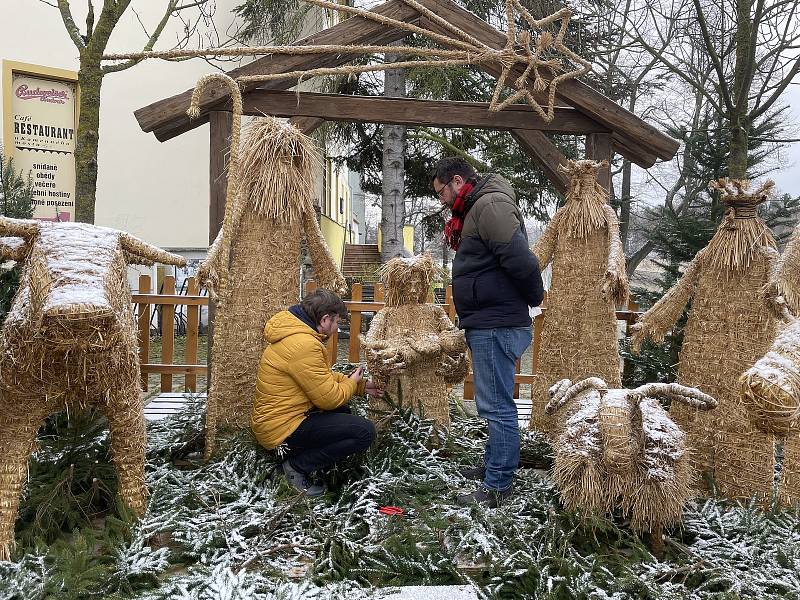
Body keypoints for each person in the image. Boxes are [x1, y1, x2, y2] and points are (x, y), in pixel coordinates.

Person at [433, 156, 545, 507]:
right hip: (488, 320)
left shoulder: (490, 205)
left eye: (441, 193)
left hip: (496, 323)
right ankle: (494, 466)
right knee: (492, 403)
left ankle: (498, 485)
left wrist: (533, 298)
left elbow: (520, 260)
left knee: (497, 406)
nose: (442, 202)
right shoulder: (478, 207)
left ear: (456, 180)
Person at [251, 288, 382, 496]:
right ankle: (295, 468)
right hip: (281, 431)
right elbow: (329, 399)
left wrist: (360, 386)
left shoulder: (296, 335)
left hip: (279, 422)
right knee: (364, 432)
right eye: (337, 322)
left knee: (344, 412)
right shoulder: (303, 345)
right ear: (325, 319)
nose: (337, 328)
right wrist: (351, 383)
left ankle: (315, 467)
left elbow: (322, 379)